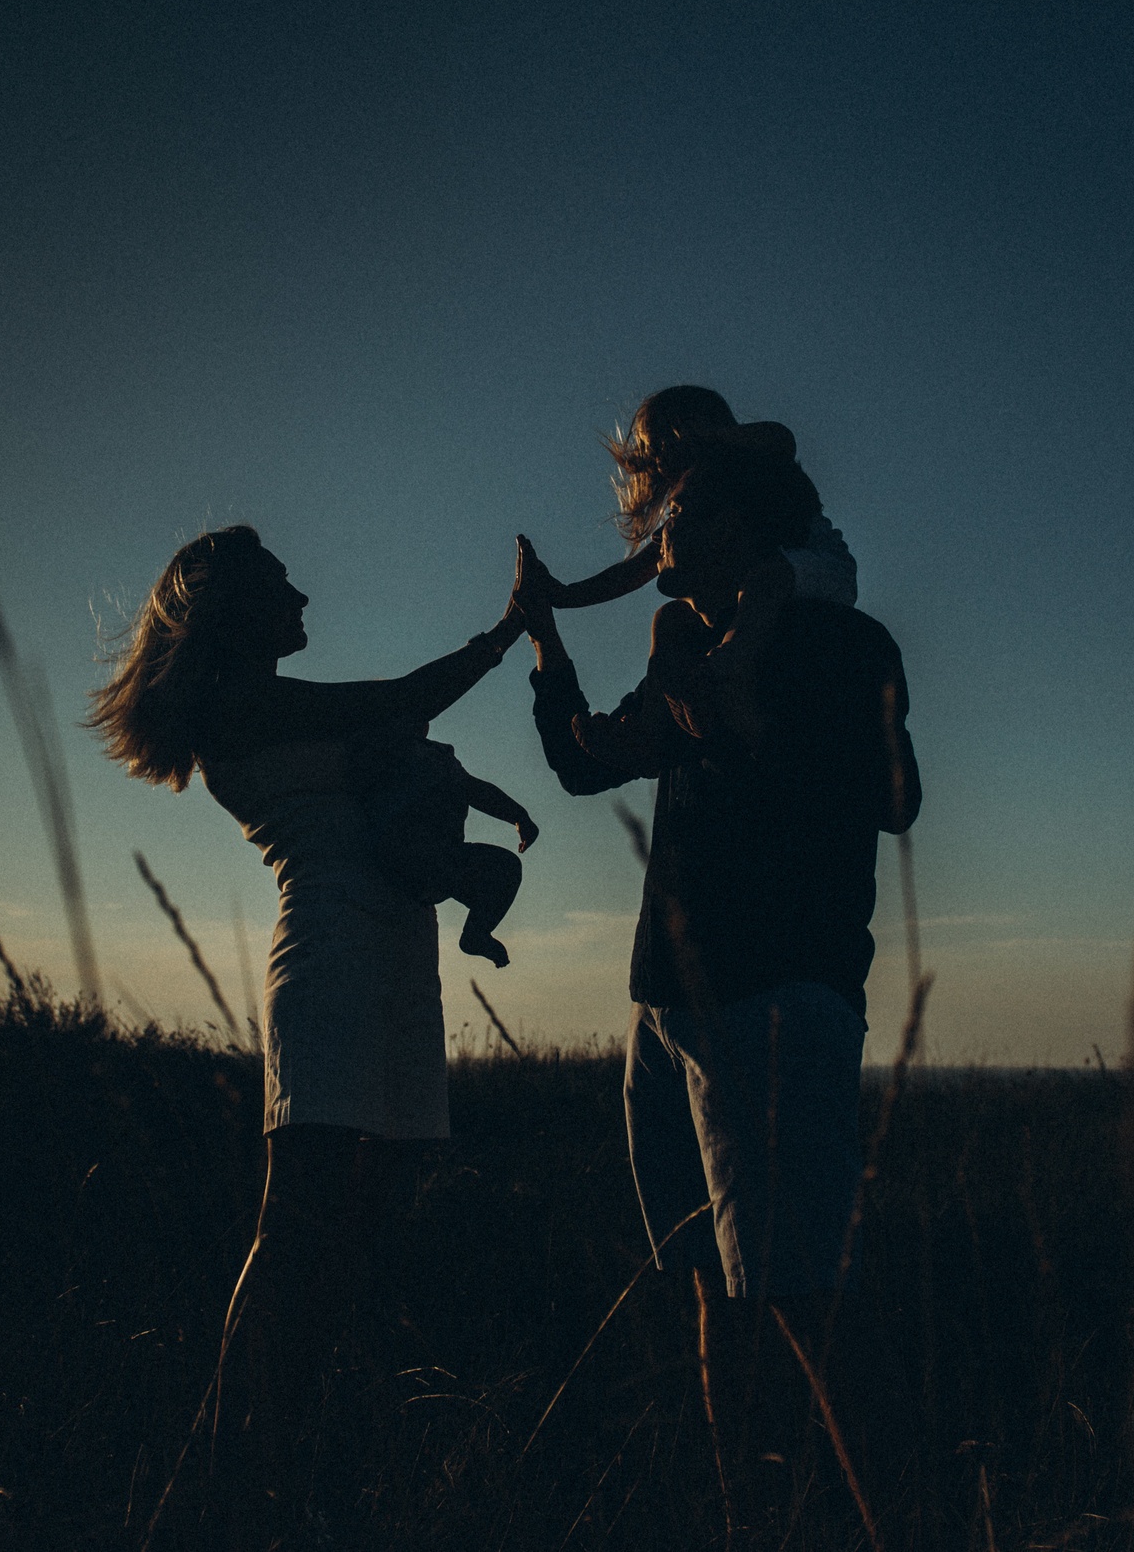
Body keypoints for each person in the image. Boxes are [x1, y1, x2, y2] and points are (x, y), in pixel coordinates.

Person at [84, 526, 523, 1548]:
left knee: (359, 1214)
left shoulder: (277, 708)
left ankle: (282, 1438)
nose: (302, 596)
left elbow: (398, 761)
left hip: (396, 953)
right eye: (280, 584)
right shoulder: (245, 705)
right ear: (234, 608)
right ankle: (231, 1460)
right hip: (328, 954)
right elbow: (405, 696)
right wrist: (508, 630)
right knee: (300, 1220)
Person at [513, 446, 919, 1540]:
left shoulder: (836, 639)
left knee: (808, 1302)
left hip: (775, 998)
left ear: (742, 527)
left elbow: (896, 794)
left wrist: (747, 708)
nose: (655, 538)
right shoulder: (688, 643)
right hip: (670, 1010)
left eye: (680, 513)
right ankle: (748, 1521)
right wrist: (543, 643)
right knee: (714, 1291)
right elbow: (590, 762)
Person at [526, 385, 858, 708]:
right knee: (669, 619)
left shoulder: (754, 467)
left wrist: (710, 439)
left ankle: (724, 668)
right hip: (748, 589)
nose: (657, 459)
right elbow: (635, 571)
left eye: (661, 444)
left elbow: (782, 439)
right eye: (651, 450)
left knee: (764, 579)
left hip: (817, 569)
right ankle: (651, 726)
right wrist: (566, 595)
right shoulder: (688, 514)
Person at [344, 720, 539, 967]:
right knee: (504, 867)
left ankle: (476, 933)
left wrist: (518, 816)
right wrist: (518, 816)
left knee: (505, 868)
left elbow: (475, 790)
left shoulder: (432, 756)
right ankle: (476, 933)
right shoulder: (391, 751)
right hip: (413, 858)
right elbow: (473, 790)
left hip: (439, 861)